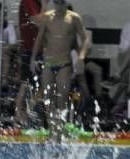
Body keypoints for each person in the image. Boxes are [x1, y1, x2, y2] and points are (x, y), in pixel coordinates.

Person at [30, 0, 90, 141]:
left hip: (65, 64)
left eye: (61, 3)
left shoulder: (74, 18)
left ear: (65, 3)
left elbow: (86, 40)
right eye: (56, 3)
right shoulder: (47, 17)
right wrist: (32, 58)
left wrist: (81, 58)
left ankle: (60, 131)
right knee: (47, 99)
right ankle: (53, 131)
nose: (58, 5)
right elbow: (39, 38)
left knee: (61, 99)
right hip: (48, 64)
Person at [15, 0, 47, 125]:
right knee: (26, 83)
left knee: (37, 84)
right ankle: (20, 114)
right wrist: (44, 5)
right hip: (30, 50)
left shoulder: (36, 3)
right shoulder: (29, 1)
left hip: (36, 50)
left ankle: (26, 112)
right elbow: (39, 22)